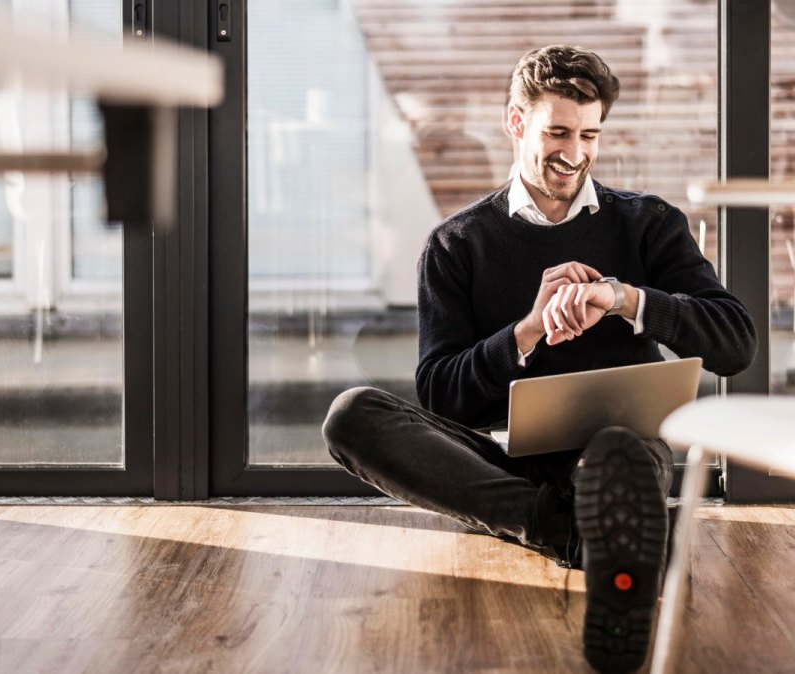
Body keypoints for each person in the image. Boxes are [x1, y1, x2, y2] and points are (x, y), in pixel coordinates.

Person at [323, 45, 756, 674]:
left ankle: (574, 524)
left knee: (620, 454)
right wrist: (525, 332)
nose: (574, 153)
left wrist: (624, 299)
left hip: (619, 454)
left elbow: (735, 344)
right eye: (557, 131)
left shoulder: (648, 224)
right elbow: (443, 396)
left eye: (589, 135)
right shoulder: (456, 244)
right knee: (352, 415)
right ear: (515, 122)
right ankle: (575, 531)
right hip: (509, 462)